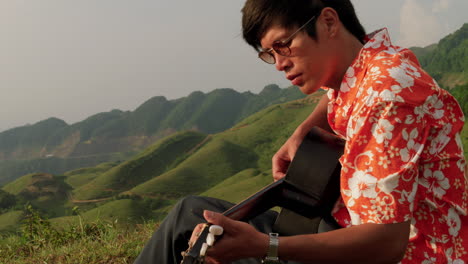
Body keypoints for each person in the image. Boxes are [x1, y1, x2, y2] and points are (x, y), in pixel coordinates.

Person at [134, 0, 467, 263]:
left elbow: (385, 244)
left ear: (328, 21)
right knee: (191, 214)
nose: (279, 63)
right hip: (343, 228)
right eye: (270, 54)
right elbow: (342, 92)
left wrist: (266, 246)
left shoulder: (386, 95)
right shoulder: (373, 61)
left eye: (284, 45)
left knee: (187, 224)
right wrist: (305, 129)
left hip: (407, 255)